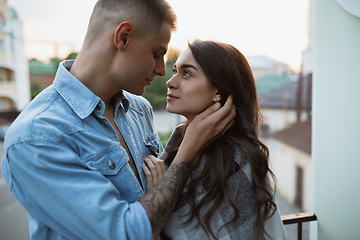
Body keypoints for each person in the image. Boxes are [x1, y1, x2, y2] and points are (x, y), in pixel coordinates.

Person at [1, 1, 235, 240]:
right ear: (123, 37)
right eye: (156, 53)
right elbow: (125, 233)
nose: (161, 71)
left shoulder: (139, 110)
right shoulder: (35, 135)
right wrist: (188, 152)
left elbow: (166, 199)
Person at [142, 40, 287, 240]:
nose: (170, 81)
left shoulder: (235, 160)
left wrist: (160, 192)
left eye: (187, 73)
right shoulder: (177, 144)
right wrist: (164, 190)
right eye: (175, 71)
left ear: (218, 91)